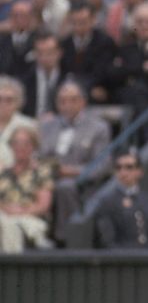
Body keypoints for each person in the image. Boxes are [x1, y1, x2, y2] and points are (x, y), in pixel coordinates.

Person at [37, 79, 110, 242]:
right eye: (62, 101)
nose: (67, 105)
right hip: (47, 178)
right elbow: (38, 156)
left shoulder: (98, 128)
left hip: (81, 183)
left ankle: (65, 238)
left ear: (83, 102)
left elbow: (101, 166)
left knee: (64, 187)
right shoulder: (46, 126)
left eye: (73, 100)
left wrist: (70, 172)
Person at [92, 148, 148, 248]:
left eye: (129, 167)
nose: (123, 172)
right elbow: (107, 242)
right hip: (122, 260)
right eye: (118, 168)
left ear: (140, 171)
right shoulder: (107, 202)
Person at [0, 126, 54, 252]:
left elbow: (43, 206)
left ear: (34, 146)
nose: (20, 147)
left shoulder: (41, 172)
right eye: (16, 142)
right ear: (10, 146)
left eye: (26, 143)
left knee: (10, 226)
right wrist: (6, 209)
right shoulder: (2, 172)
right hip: (3, 215)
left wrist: (19, 212)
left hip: (29, 218)